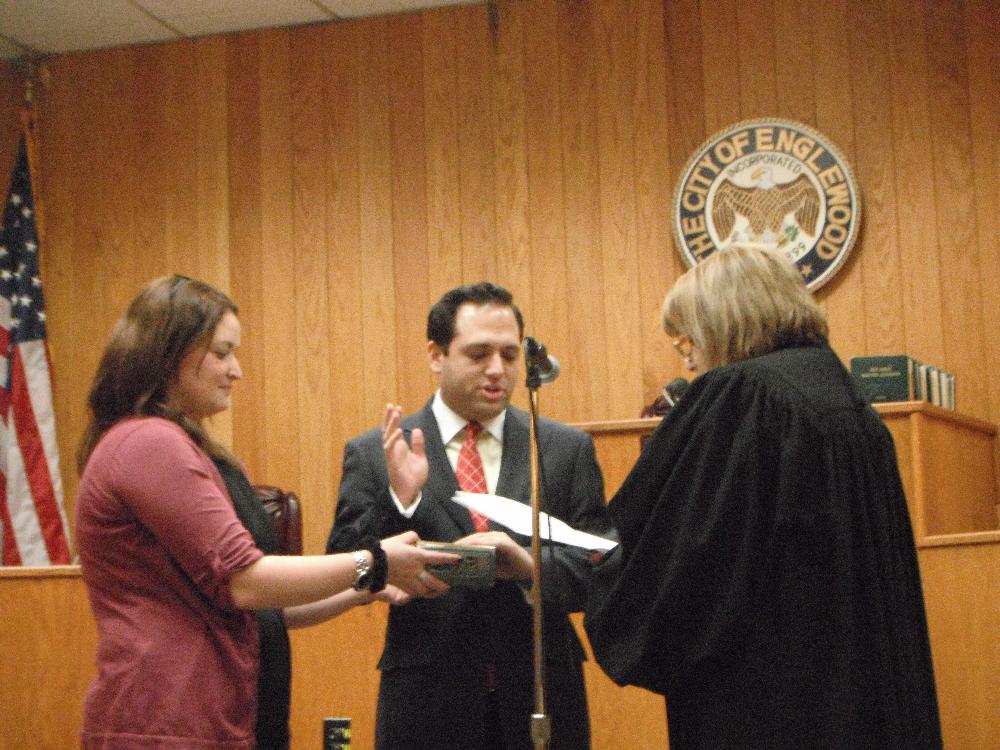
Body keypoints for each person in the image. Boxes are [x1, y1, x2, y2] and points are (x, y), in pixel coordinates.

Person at [75, 275, 458, 750]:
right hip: (167, 722)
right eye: (221, 352)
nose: (236, 370)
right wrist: (375, 561)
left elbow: (264, 608)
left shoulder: (184, 446)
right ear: (167, 353)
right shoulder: (149, 442)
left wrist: (368, 585)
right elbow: (246, 579)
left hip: (211, 718)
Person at [584, 246, 943, 749]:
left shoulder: (744, 396)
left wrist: (601, 571)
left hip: (771, 702)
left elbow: (692, 557)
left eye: (687, 334)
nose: (685, 354)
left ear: (725, 320)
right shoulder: (847, 399)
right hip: (859, 693)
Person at [326, 281, 614, 750]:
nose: (497, 370)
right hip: (428, 698)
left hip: (541, 691)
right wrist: (402, 503)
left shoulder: (563, 449)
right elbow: (343, 562)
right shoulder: (378, 450)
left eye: (509, 354)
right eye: (478, 354)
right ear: (437, 355)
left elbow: (602, 568)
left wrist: (526, 566)